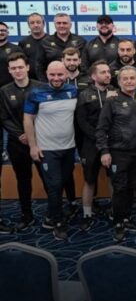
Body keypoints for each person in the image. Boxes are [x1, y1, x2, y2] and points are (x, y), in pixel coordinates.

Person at [24, 61, 78, 241]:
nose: (56, 78)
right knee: (54, 185)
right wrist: (33, 146)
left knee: (60, 183)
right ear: (46, 74)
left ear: (66, 74)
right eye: (52, 75)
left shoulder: (73, 91)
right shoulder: (36, 93)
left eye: (60, 74)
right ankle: (58, 221)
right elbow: (28, 120)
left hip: (69, 148)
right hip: (46, 149)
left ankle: (49, 215)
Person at [96, 66, 136, 241]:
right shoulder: (112, 101)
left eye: (132, 78)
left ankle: (127, 217)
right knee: (120, 188)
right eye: (125, 79)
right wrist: (104, 151)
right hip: (118, 153)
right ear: (119, 82)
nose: (129, 81)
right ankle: (118, 223)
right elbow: (101, 129)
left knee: (131, 187)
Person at [0, 53, 43, 232]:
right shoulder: (4, 91)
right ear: (9, 71)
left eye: (20, 67)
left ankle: (54, 215)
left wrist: (33, 135)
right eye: (13, 68)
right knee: (23, 180)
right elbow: (4, 118)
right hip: (17, 143)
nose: (17, 71)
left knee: (48, 179)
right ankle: (27, 215)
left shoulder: (41, 87)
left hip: (41, 141)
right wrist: (22, 135)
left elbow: (46, 114)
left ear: (27, 67)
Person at [75, 60, 116, 231]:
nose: (107, 75)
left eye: (108, 72)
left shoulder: (115, 92)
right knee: (89, 180)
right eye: (103, 72)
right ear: (93, 76)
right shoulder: (84, 94)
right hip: (91, 143)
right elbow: (81, 121)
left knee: (113, 178)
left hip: (112, 143)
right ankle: (87, 213)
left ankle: (115, 210)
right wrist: (98, 138)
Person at [18, 13, 48, 81]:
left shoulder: (51, 40)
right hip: (29, 81)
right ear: (29, 25)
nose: (35, 25)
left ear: (43, 24)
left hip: (49, 81)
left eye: (38, 22)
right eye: (32, 23)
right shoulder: (23, 42)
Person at [0, 21, 24, 87]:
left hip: (11, 87)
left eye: (3, 30)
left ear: (8, 33)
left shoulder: (16, 49)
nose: (0, 33)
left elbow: (22, 69)